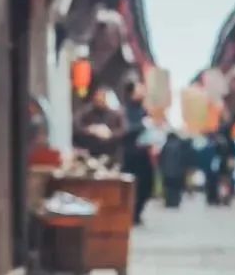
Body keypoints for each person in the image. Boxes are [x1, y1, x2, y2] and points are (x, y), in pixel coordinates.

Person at [121, 83, 155, 225]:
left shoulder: (144, 110)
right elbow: (125, 129)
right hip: (129, 154)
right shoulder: (125, 110)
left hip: (144, 153)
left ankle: (137, 212)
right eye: (139, 90)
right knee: (130, 186)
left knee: (147, 184)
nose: (143, 92)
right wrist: (142, 125)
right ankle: (130, 214)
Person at [73, 86, 126, 164]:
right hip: (91, 151)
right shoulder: (86, 112)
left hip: (111, 152)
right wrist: (90, 130)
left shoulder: (116, 114)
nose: (99, 101)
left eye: (101, 99)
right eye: (97, 98)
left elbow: (123, 130)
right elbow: (76, 125)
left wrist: (110, 134)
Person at [159, 132, 190, 208]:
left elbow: (161, 159)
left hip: (167, 171)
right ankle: (175, 202)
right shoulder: (180, 146)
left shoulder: (165, 146)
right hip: (178, 171)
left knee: (168, 187)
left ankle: (169, 202)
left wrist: (162, 168)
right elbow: (184, 158)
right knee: (177, 188)